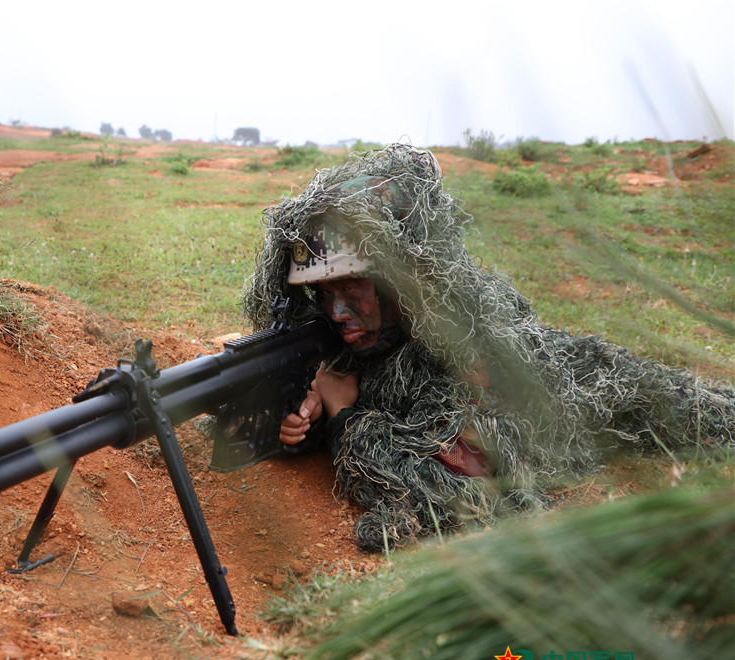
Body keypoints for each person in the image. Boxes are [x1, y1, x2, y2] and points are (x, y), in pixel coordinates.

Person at [242, 144, 734, 552]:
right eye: (325, 295)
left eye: (355, 289)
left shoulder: (465, 350)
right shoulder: (374, 343)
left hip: (589, 398)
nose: (338, 313)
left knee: (701, 412)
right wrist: (305, 420)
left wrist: (346, 418)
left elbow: (469, 492)